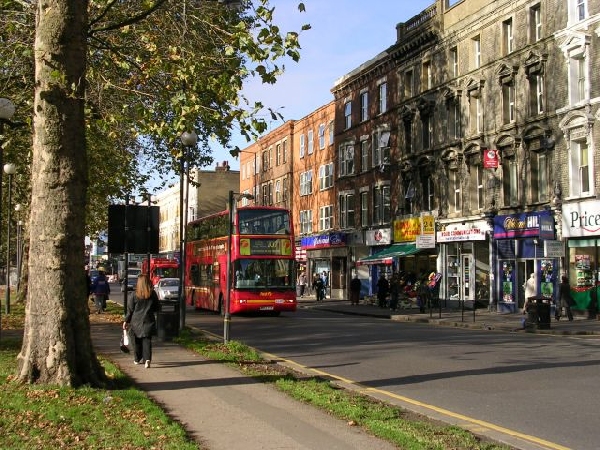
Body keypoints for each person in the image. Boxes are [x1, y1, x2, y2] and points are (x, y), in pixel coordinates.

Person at [123, 274, 159, 368]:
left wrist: (126, 321)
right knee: (147, 340)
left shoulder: (134, 295)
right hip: (149, 320)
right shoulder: (153, 294)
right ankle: (147, 359)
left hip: (136, 321)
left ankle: (137, 358)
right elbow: (157, 307)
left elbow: (130, 310)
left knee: (136, 341)